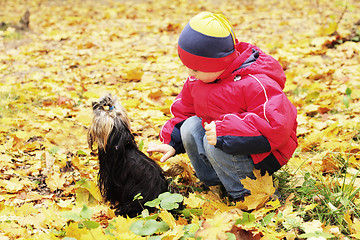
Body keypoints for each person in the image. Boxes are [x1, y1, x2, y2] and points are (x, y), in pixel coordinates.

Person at [147, 12, 298, 201]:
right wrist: (171, 142)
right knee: (190, 126)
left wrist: (227, 132)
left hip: (262, 152)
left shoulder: (255, 82)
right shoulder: (198, 80)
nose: (190, 73)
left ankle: (248, 194)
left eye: (195, 68)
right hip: (223, 140)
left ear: (220, 63)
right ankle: (215, 183)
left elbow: (276, 126)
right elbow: (184, 109)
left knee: (217, 144)